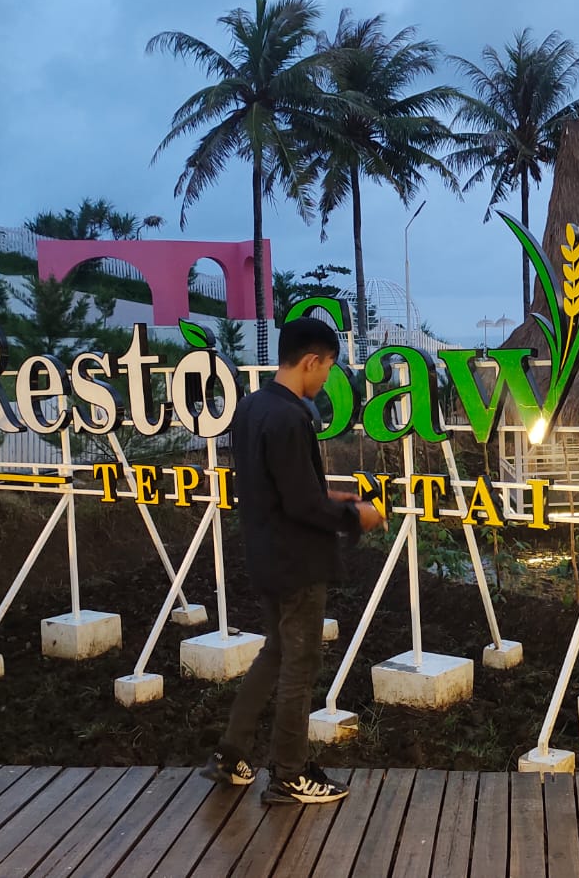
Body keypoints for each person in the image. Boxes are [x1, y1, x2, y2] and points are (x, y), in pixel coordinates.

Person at [200, 318, 384, 805]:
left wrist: (332, 493)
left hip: (264, 554)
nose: (327, 379)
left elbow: (281, 486)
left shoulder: (253, 408)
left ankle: (231, 753)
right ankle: (289, 773)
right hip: (296, 563)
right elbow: (302, 506)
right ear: (311, 361)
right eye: (327, 368)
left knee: (276, 652)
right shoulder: (293, 417)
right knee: (298, 667)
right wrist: (356, 514)